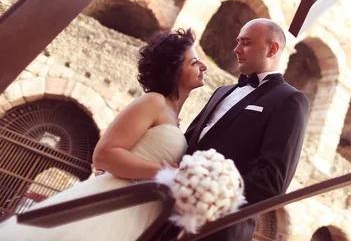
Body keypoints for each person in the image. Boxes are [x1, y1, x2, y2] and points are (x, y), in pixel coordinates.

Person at [0, 28, 207, 241]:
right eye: (194, 63)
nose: (204, 66)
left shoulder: (174, 116)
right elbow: (105, 154)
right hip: (113, 204)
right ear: (173, 70)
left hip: (137, 212)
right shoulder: (153, 102)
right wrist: (165, 173)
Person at [177, 18, 309, 240]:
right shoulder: (222, 91)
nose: (236, 49)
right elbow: (189, 143)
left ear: (272, 49)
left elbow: (272, 181)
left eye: (246, 43)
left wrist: (205, 193)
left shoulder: (290, 100)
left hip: (221, 230)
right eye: (238, 41)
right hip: (169, 217)